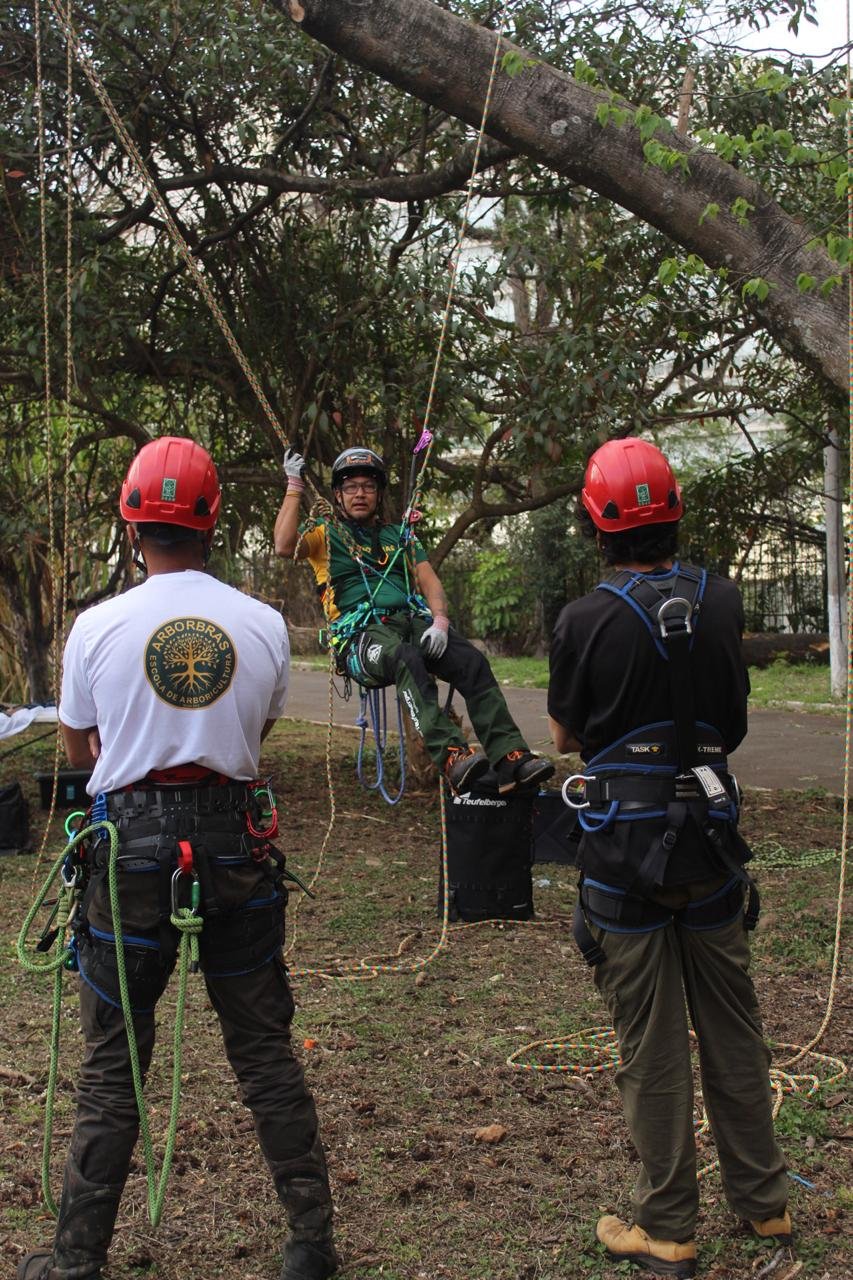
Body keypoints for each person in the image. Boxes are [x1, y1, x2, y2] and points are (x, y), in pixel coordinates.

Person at [18, 437, 338, 1280]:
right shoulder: (262, 624)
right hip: (234, 844)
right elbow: (256, 734)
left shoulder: (96, 626)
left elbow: (82, 748)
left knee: (112, 1065)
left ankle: (76, 1259)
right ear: (212, 523)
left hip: (128, 850)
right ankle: (310, 1242)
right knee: (264, 1052)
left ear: (132, 524)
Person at [547, 439, 790, 1278]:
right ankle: (764, 1206)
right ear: (675, 513)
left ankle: (667, 1228)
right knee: (734, 1028)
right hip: (713, 845)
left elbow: (568, 737)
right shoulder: (720, 602)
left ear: (594, 523)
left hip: (623, 855)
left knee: (651, 1047)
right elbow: (732, 722)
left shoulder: (583, 619)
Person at [274, 445, 554, 795]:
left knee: (471, 660)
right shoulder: (324, 534)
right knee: (404, 657)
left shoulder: (400, 536)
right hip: (361, 638)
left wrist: (439, 621)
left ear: (378, 494)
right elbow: (284, 546)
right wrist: (294, 486)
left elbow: (428, 579)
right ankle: (452, 755)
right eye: (350, 487)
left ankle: (512, 756)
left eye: (368, 486)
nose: (360, 493)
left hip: (411, 622)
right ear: (338, 495)